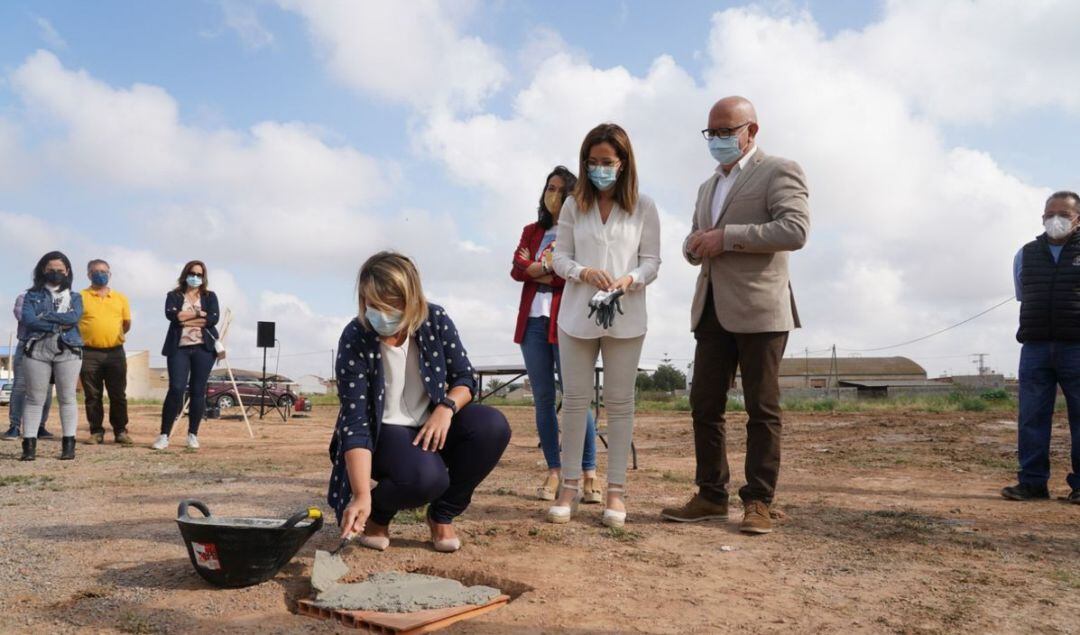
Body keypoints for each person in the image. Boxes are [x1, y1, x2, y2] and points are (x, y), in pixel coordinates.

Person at [661, 96, 810, 534]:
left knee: (762, 409)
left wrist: (727, 237)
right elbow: (694, 238)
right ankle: (710, 495)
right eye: (713, 133)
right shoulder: (708, 187)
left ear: (751, 131)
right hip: (710, 308)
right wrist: (692, 246)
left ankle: (759, 500)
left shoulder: (779, 170)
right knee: (704, 405)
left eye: (727, 131)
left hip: (760, 309)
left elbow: (795, 229)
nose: (719, 140)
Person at [330, 252, 511, 553]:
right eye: (373, 305)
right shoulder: (356, 336)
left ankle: (442, 514)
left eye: (392, 305)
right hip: (383, 432)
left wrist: (446, 408)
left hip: (431, 421)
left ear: (412, 299)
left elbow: (465, 379)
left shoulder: (435, 320)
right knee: (426, 478)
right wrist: (362, 494)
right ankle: (378, 514)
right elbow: (356, 421)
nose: (382, 314)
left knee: (491, 426)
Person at [548, 123, 661, 528]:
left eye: (607, 163)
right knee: (576, 402)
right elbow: (558, 258)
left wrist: (630, 279)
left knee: (619, 402)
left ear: (623, 163)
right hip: (577, 315)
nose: (599, 170)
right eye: (592, 163)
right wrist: (583, 272)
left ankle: (616, 491)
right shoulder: (573, 206)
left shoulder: (644, 206)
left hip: (627, 316)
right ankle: (570, 486)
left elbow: (652, 261)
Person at [512, 166, 601, 503]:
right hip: (532, 324)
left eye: (562, 190)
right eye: (550, 188)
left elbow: (577, 275)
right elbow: (515, 269)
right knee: (544, 400)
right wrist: (548, 269)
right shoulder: (532, 231)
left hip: (567, 323)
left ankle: (590, 470)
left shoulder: (580, 232)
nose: (554, 195)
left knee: (577, 397)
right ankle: (555, 470)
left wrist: (539, 270)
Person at [1002, 190, 1080, 505]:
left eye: (1063, 214)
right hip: (1034, 347)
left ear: (1078, 218)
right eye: (1049, 214)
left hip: (1077, 346)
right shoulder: (1026, 253)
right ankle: (1032, 483)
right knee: (1031, 416)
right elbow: (1022, 293)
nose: (1055, 219)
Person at [18, 251, 84, 461]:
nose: (56, 273)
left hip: (69, 348)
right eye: (51, 270)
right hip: (37, 348)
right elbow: (29, 320)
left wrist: (45, 316)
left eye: (60, 270)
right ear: (42, 271)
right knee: (34, 398)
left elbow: (74, 318)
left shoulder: (75, 297)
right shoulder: (31, 296)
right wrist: (58, 323)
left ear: (67, 272)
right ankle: (29, 447)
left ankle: (68, 446)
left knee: (67, 398)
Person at [154, 260, 219, 451]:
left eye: (199, 274)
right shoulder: (173, 296)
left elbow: (213, 319)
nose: (196, 277)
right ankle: (164, 435)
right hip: (179, 348)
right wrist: (199, 315)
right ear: (185, 274)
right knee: (176, 388)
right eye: (193, 273)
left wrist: (187, 317)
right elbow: (173, 316)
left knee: (198, 391)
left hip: (203, 349)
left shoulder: (210, 296)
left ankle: (193, 434)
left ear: (204, 277)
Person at [78, 259, 132, 445]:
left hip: (115, 353)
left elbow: (126, 324)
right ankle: (96, 431)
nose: (100, 274)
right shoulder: (80, 297)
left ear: (109, 274)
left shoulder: (120, 298)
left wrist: (109, 336)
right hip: (88, 353)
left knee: (118, 394)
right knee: (93, 395)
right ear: (88, 274)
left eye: (104, 271)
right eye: (96, 271)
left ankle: (120, 431)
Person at [3, 293, 55, 441]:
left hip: (50, 346)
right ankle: (15, 426)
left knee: (47, 389)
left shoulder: (60, 299)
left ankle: (40, 427)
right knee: (20, 386)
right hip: (27, 343)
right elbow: (25, 318)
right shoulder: (23, 298)